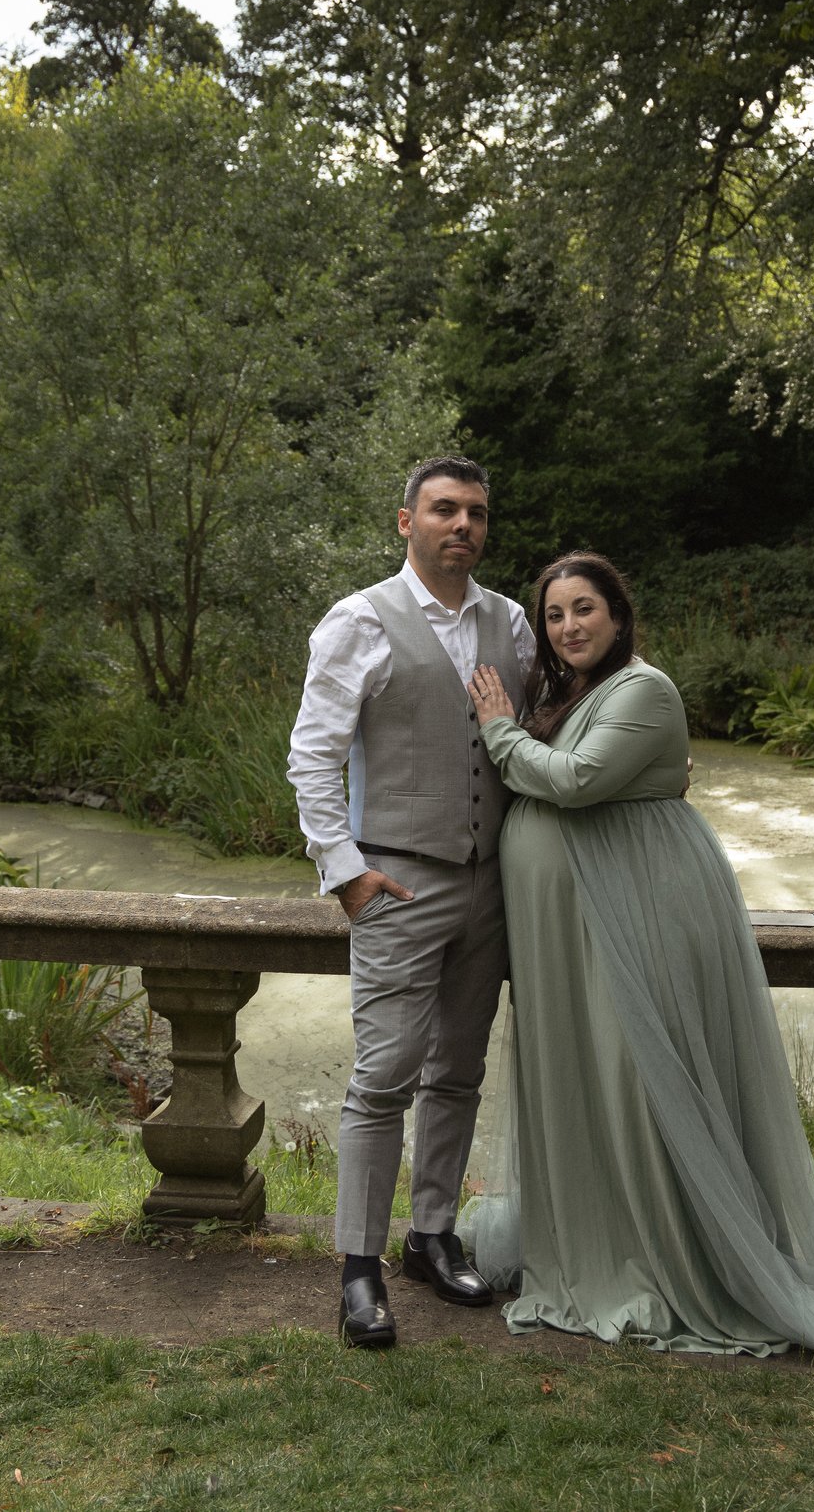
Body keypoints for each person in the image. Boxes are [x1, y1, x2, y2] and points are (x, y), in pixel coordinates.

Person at [458, 552, 814, 1369]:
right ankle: (596, 1229)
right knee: (582, 1073)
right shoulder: (564, 691)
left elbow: (573, 782)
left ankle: (670, 1252)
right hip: (562, 923)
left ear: (618, 613)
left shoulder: (645, 689)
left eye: (584, 609)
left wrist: (498, 728)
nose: (568, 625)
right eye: (555, 614)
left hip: (628, 910)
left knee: (638, 1074)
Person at [285, 455, 536, 1350]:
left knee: (457, 1072)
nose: (461, 524)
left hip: (490, 888)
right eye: (443, 510)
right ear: (407, 522)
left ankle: (431, 1235)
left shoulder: (511, 620)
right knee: (381, 1078)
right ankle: (358, 1267)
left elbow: (540, 736)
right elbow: (313, 755)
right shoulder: (360, 620)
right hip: (397, 882)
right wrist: (346, 871)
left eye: (475, 511)